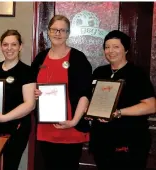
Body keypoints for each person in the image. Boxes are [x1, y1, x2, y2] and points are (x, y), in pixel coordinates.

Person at [31, 15, 92, 170]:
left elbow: (85, 94)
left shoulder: (78, 58)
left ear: (68, 33)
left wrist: (73, 122)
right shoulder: (40, 58)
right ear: (48, 32)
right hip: (46, 128)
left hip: (71, 127)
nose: (58, 33)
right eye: (54, 29)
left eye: (62, 30)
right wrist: (34, 93)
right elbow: (31, 87)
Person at [89, 30, 156, 170]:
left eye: (116, 47)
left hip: (129, 144)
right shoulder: (99, 72)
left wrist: (118, 112)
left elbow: (151, 106)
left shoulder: (136, 74)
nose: (110, 51)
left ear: (126, 49)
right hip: (102, 142)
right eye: (107, 47)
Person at [0, 30, 36, 170]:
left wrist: (5, 118)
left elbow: (30, 104)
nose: (9, 48)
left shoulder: (27, 71)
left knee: (10, 165)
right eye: (5, 44)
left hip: (16, 128)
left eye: (13, 44)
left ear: (20, 46)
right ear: (1, 46)